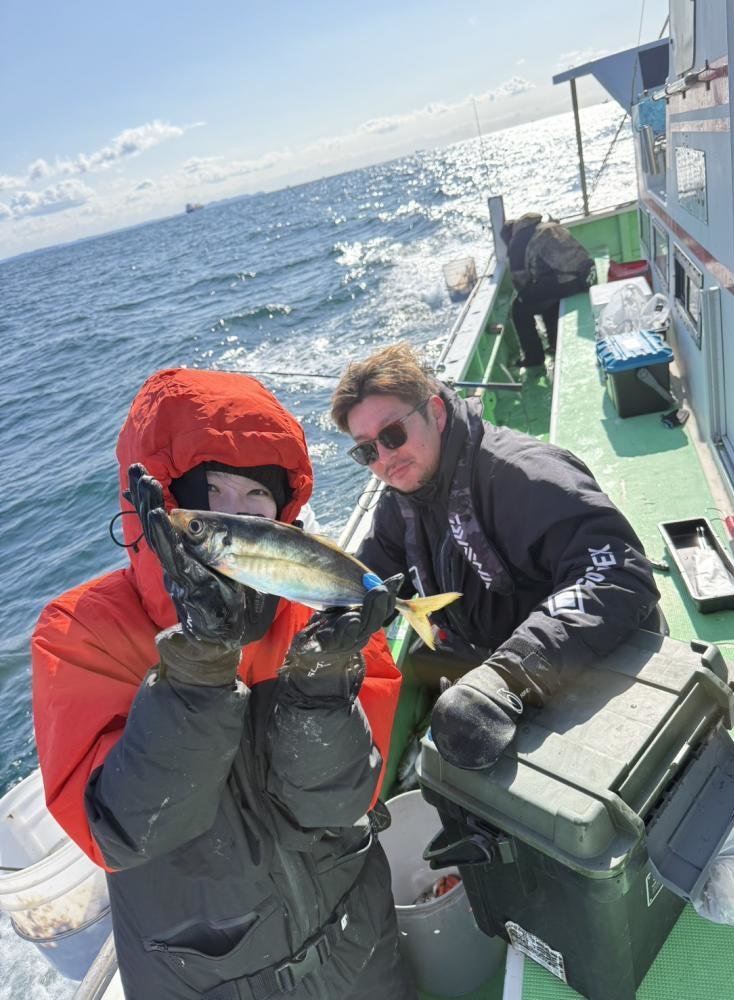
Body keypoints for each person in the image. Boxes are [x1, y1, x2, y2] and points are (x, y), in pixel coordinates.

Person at [32, 368, 416, 1000]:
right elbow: (123, 834)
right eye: (212, 492)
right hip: (202, 981)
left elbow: (343, 802)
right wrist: (199, 665)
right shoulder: (80, 633)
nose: (235, 514)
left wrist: (320, 687)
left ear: (280, 516)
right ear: (168, 502)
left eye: (256, 497)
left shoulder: (321, 615)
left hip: (358, 944)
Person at [330, 343, 662, 771]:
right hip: (499, 668)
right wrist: (325, 620)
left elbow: (617, 571)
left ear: (436, 413)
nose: (385, 458)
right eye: (367, 451)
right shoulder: (402, 500)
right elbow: (368, 577)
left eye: (393, 434)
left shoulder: (521, 474)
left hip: (595, 663)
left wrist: (510, 673)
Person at [501, 212, 596, 366]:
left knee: (520, 308)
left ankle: (534, 358)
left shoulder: (516, 242)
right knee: (545, 292)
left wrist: (525, 296)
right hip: (586, 273)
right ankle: (554, 342)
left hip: (569, 281)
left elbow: (521, 283)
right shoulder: (544, 226)